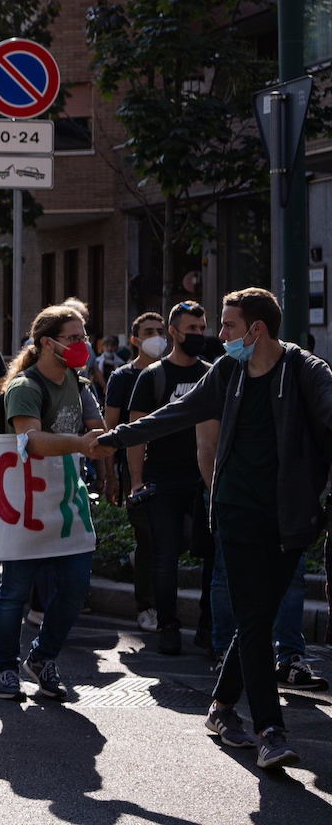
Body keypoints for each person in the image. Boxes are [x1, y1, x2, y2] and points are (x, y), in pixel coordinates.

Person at [94, 288, 332, 770]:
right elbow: (173, 415)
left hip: (291, 517)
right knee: (253, 617)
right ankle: (270, 730)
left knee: (256, 618)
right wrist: (114, 440)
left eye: (226, 326)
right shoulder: (227, 372)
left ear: (255, 330)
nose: (219, 336)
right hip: (236, 511)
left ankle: (221, 709)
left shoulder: (306, 371)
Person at [0, 304, 105, 702]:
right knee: (14, 592)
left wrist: (106, 440)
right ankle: (4, 667)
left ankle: (42, 657)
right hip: (26, 507)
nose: (82, 344)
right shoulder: (24, 386)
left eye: (84, 336)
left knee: (74, 587)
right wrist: (81, 444)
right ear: (46, 344)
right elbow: (31, 440)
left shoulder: (80, 382)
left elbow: (96, 431)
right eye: (73, 337)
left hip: (66, 503)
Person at [126, 303, 211, 655]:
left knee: (213, 555)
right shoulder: (152, 377)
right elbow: (135, 433)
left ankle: (208, 628)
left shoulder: (213, 373)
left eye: (203, 327)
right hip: (162, 480)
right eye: (192, 328)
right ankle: (168, 626)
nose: (199, 334)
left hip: (203, 480)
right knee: (165, 554)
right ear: (173, 332)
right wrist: (136, 482)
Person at [103, 310, 168, 633]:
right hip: (136, 470)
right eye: (148, 330)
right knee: (149, 540)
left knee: (174, 538)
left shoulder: (171, 372)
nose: (156, 335)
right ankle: (147, 606)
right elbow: (109, 428)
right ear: (134, 339)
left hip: (174, 471)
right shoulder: (122, 378)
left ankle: (139, 563)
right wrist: (111, 476)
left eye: (160, 329)